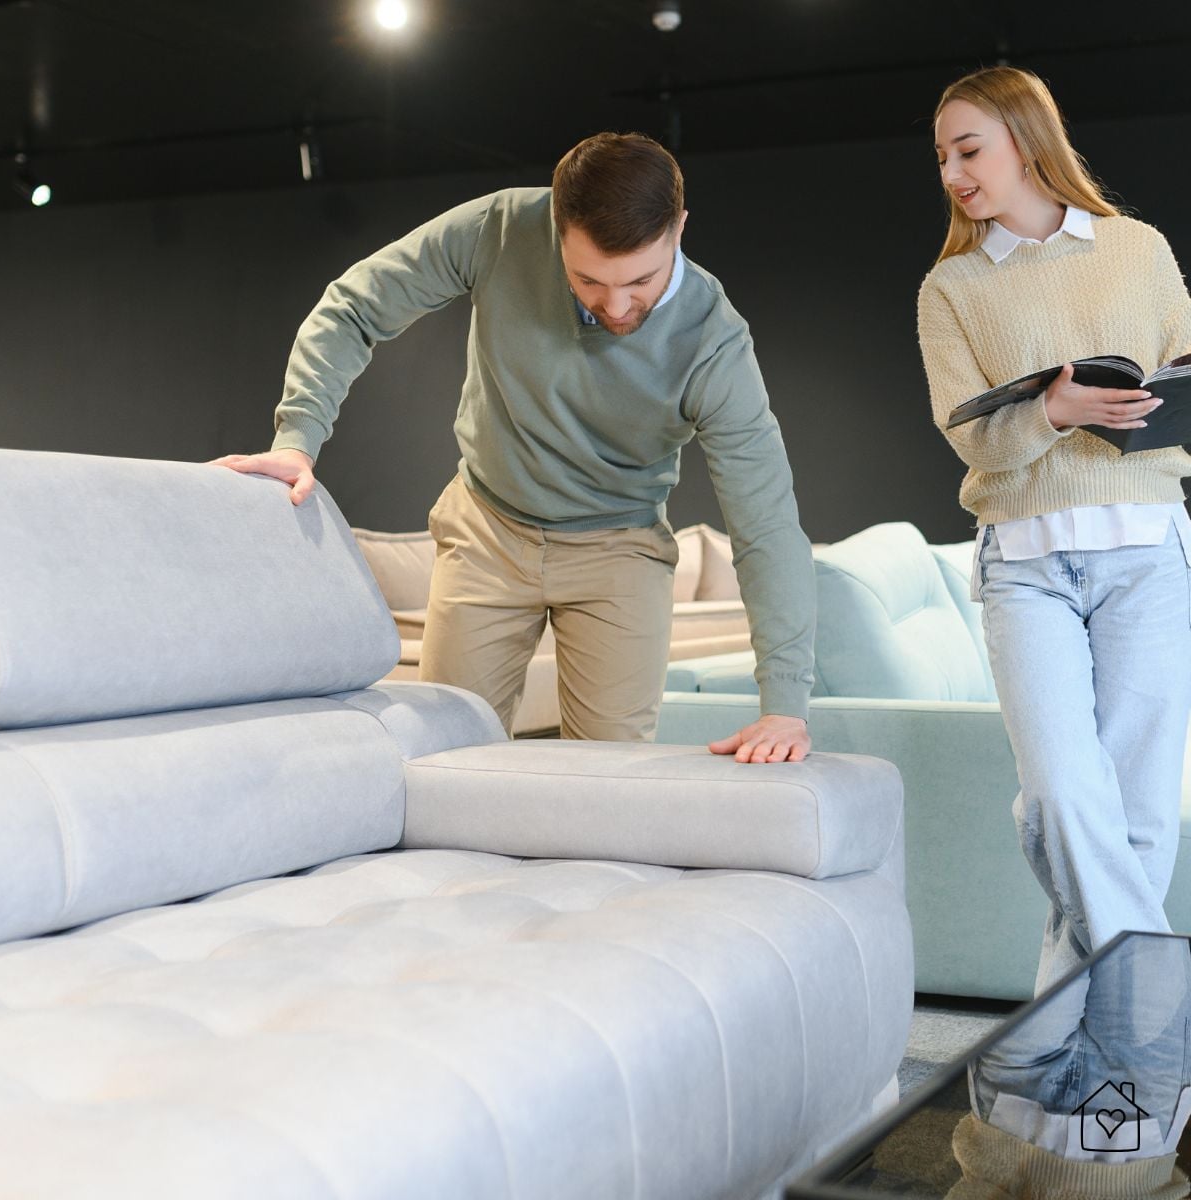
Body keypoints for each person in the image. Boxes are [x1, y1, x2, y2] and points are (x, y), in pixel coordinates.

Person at [214, 132, 815, 762]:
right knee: (442, 760)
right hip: (488, 530)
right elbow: (352, 308)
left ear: (680, 227)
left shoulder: (714, 342)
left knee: (608, 782)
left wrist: (784, 707)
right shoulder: (498, 229)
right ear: (556, 227)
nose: (614, 305)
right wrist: (298, 439)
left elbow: (766, 525)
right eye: (587, 280)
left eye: (640, 280)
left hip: (619, 549)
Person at [918, 65, 1191, 997]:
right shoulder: (950, 288)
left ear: (1028, 142)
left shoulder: (1138, 249)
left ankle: (1086, 1070)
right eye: (944, 155)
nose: (953, 171)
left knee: (1144, 811)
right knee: (1065, 800)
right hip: (1026, 565)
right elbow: (978, 446)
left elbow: (1183, 368)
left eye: (969, 148)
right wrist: (1057, 411)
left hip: (1148, 549)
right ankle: (1159, 1006)